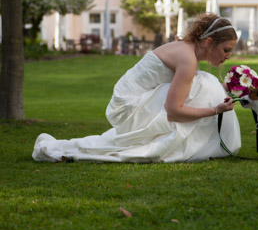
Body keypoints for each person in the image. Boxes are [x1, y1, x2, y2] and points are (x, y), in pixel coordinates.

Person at [32, 13, 241, 163]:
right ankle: (179, 145)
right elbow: (174, 111)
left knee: (204, 83)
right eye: (226, 50)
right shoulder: (188, 60)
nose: (228, 56)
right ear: (209, 42)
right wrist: (215, 110)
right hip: (128, 105)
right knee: (202, 84)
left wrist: (225, 86)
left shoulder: (187, 52)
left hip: (130, 97)